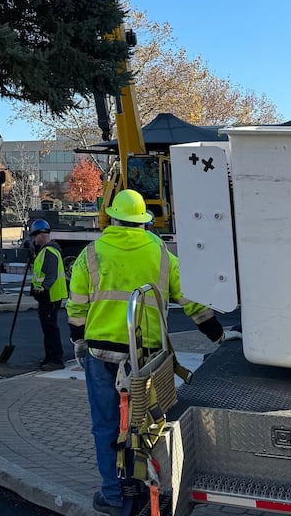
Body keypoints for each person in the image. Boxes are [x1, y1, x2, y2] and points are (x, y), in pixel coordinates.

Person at [66, 189, 223, 516]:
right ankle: (152, 487)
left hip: (101, 354)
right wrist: (217, 334)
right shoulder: (160, 252)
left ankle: (114, 495)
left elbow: (77, 306)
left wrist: (79, 342)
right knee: (148, 424)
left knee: (107, 425)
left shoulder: (91, 253)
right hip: (146, 357)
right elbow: (189, 298)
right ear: (143, 221)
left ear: (112, 217)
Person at [28, 218, 67, 370]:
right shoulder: (45, 251)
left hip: (49, 296)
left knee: (51, 329)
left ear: (42, 234)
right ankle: (49, 357)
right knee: (48, 329)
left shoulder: (50, 252)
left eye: (34, 236)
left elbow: (50, 277)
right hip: (46, 296)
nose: (33, 239)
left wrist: (42, 290)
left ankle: (56, 359)